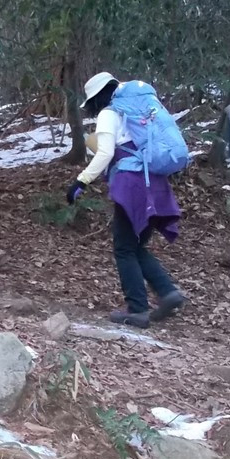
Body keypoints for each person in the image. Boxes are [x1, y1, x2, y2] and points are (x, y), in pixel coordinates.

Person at [67, 72, 185, 328]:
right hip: (154, 181)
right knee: (134, 246)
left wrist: (81, 181)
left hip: (132, 183)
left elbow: (106, 152)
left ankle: (138, 309)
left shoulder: (110, 113)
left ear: (97, 98)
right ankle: (168, 292)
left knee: (123, 248)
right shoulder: (136, 111)